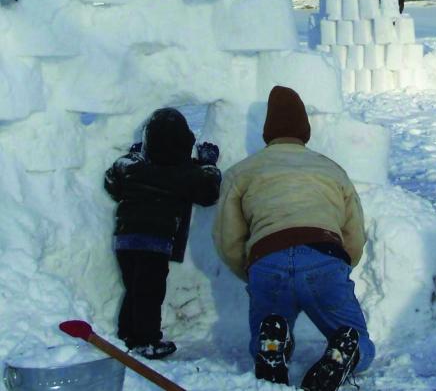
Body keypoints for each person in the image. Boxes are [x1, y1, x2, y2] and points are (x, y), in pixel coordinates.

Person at [212, 85, 374, 391]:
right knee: (358, 338)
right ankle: (348, 353)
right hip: (324, 257)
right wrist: (341, 266)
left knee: (263, 333)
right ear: (305, 131)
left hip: (267, 258)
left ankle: (274, 344)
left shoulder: (241, 172)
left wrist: (250, 268)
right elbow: (354, 231)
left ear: (267, 131)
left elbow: (227, 236)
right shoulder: (332, 170)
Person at [104, 107, 221, 360]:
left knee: (135, 288)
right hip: (155, 242)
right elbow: (209, 193)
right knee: (149, 291)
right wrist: (209, 164)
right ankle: (146, 341)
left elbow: (112, 182)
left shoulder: (133, 167)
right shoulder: (184, 172)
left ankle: (128, 334)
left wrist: (133, 155)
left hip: (126, 239)